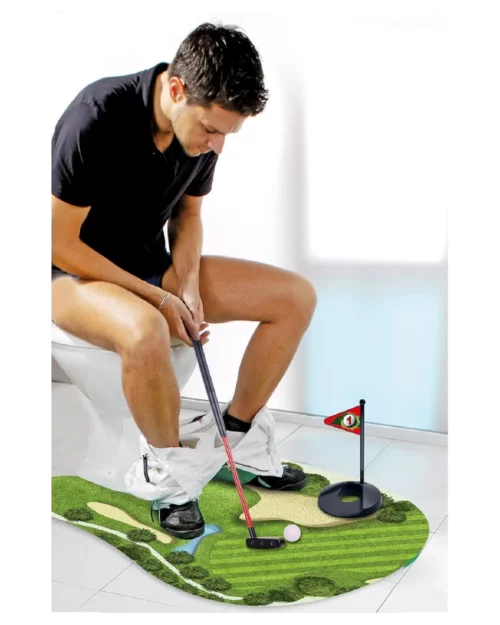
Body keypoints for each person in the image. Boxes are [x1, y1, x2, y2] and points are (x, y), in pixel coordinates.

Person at [50, 22, 317, 539]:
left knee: (293, 297)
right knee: (145, 329)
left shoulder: (201, 141)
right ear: (176, 89)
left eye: (227, 134)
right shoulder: (96, 115)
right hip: (68, 276)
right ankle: (167, 476)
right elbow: (60, 242)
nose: (217, 146)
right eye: (212, 129)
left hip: (148, 264)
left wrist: (187, 284)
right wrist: (157, 295)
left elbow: (188, 217)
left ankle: (237, 437)